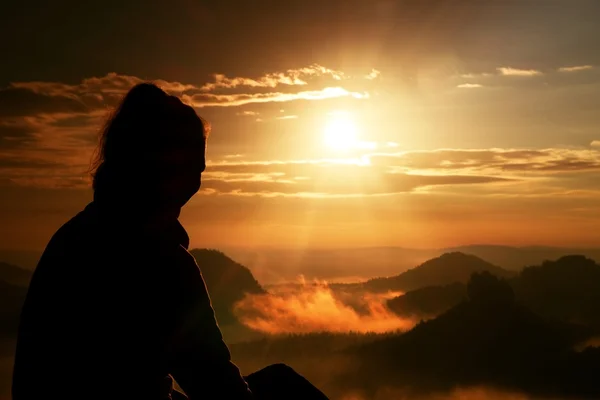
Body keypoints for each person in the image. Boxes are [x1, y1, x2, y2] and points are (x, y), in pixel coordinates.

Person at [12, 83, 329, 400]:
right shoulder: (162, 261)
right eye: (193, 168)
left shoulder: (73, 237)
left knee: (277, 379)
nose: (197, 183)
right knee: (285, 387)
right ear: (162, 168)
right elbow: (216, 387)